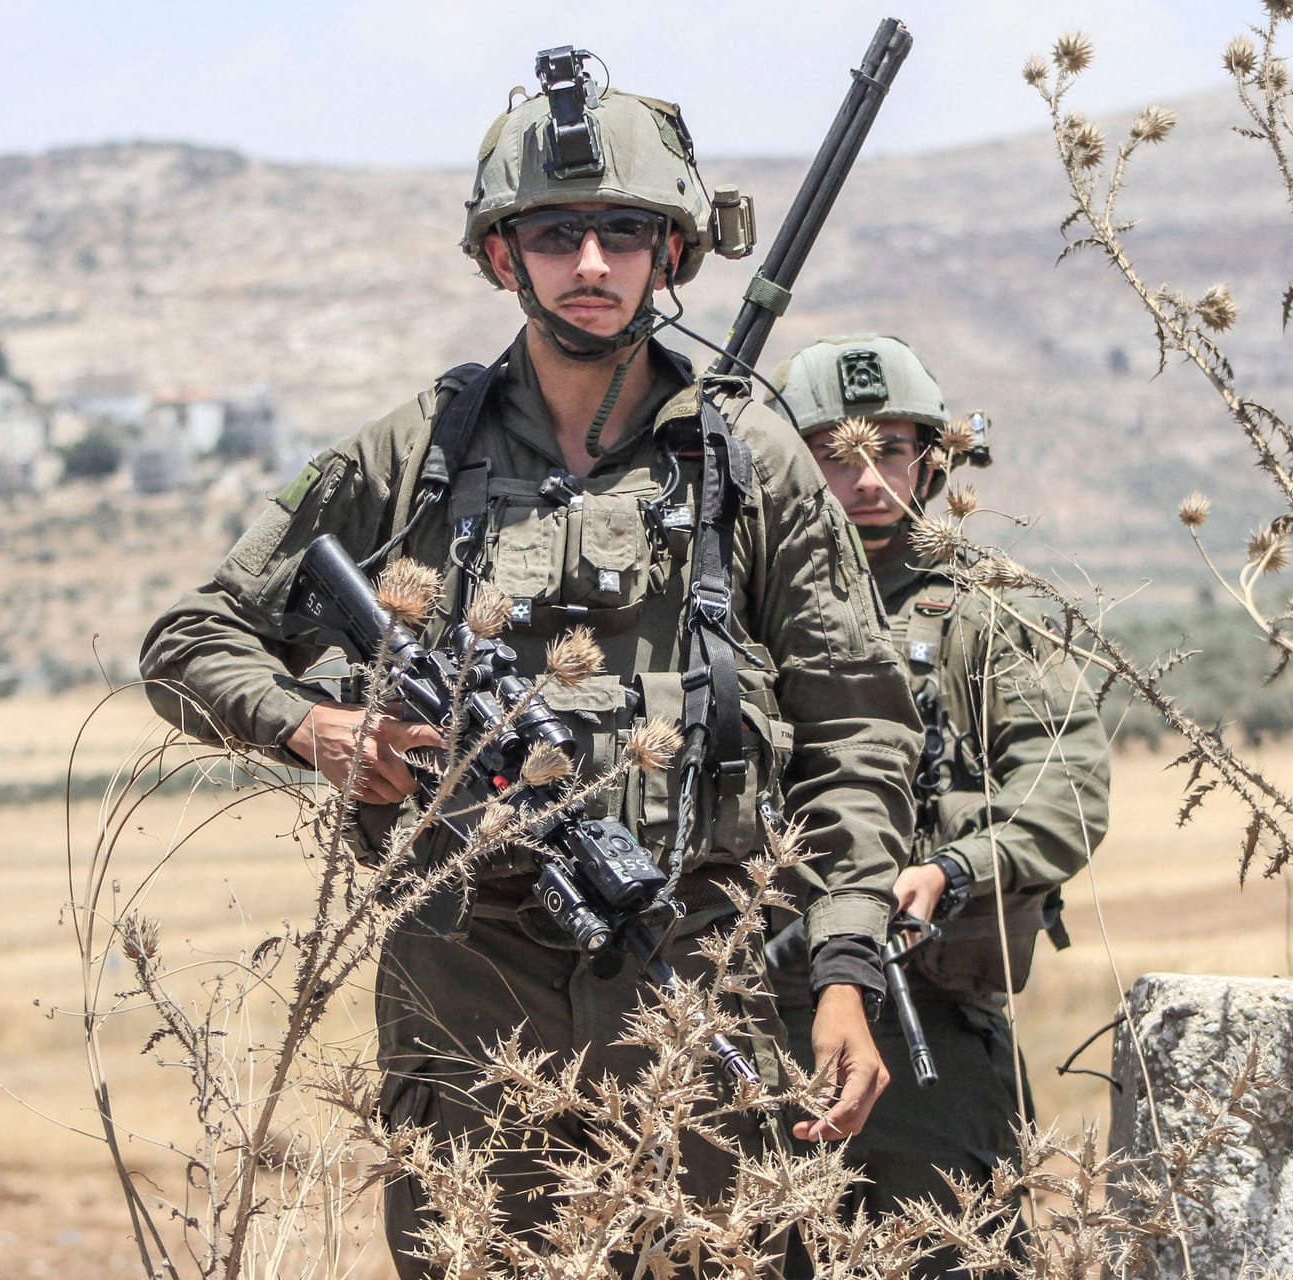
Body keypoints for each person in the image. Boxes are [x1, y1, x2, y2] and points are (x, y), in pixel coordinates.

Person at [138, 54, 921, 1278]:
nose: (593, 264)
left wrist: (845, 967)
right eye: (556, 232)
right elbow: (190, 642)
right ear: (503, 255)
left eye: (626, 231)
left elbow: (861, 734)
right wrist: (316, 730)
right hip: (467, 989)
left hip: (699, 977)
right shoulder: (415, 455)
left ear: (674, 252)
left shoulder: (751, 462)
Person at [764, 335, 1111, 1276]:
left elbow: (1067, 788)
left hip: (930, 1018)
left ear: (937, 459)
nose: (865, 478)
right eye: (836, 455)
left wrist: (955, 866)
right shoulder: (736, 602)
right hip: (758, 1007)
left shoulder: (987, 613)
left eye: (892, 450)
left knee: (951, 1251)